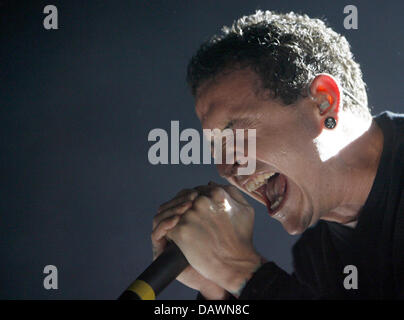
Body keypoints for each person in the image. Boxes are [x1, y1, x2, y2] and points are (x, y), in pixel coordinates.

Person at [151, 10, 404, 299]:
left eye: (234, 133)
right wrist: (218, 289)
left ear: (324, 102)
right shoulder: (316, 257)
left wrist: (243, 272)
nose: (225, 168)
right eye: (214, 147)